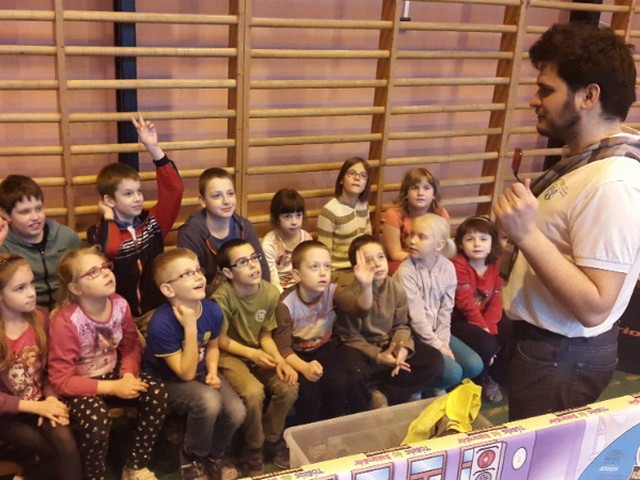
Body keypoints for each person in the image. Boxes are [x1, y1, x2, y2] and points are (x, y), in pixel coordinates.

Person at [494, 22, 640, 421]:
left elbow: (594, 306)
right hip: (548, 348)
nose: (533, 100)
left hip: (562, 356)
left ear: (589, 96)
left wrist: (526, 234)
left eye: (546, 90)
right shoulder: (588, 162)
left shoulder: (612, 182)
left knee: (543, 456)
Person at [48, 246, 168, 480]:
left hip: (113, 372)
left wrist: (128, 375)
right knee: (97, 421)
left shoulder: (120, 304)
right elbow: (62, 381)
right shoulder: (66, 321)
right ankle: (94, 476)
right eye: (93, 272)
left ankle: (135, 465)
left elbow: (130, 346)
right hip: (80, 384)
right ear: (75, 288)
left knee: (157, 394)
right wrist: (113, 387)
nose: (105, 273)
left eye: (105, 267)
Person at [143, 248, 246, 480]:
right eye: (187, 274)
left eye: (198, 270)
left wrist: (213, 372)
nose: (199, 277)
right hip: (167, 380)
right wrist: (190, 326)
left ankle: (214, 455)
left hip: (200, 370)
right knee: (208, 401)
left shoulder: (212, 310)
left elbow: (212, 347)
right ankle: (192, 456)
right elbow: (185, 374)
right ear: (168, 290)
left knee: (236, 411)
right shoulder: (161, 323)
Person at [211, 239, 298, 477]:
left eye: (254, 258)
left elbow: (265, 336)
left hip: (258, 350)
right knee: (253, 393)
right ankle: (254, 447)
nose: (252, 265)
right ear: (228, 273)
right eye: (242, 262)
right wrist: (253, 354)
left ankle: (271, 438)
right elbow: (221, 341)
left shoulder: (269, 292)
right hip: (230, 355)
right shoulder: (222, 298)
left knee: (289, 386)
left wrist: (280, 361)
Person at [87, 113, 184, 317]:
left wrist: (154, 148)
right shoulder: (98, 231)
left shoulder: (152, 223)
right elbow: (110, 249)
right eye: (128, 194)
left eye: (139, 191)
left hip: (157, 311)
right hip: (119, 315)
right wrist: (108, 217)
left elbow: (174, 190)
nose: (137, 198)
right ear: (109, 200)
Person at [333, 234, 444, 410]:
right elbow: (349, 337)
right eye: (368, 260)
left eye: (380, 257)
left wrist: (402, 347)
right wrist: (377, 355)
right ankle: (364, 407)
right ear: (356, 268)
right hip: (361, 347)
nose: (377, 264)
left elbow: (401, 325)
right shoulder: (350, 295)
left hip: (388, 343)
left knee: (434, 361)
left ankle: (384, 392)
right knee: (353, 371)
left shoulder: (395, 288)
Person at [0, 254, 81, 479]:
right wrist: (37, 407)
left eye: (31, 284)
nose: (32, 292)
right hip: (7, 413)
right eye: (20, 288)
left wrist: (51, 399)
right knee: (48, 450)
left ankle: (25, 473)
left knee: (66, 444)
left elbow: (49, 371)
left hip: (41, 400)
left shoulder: (40, 318)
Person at [394, 214, 483, 392]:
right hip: (411, 335)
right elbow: (416, 319)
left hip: (436, 332)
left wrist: (444, 342)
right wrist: (439, 347)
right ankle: (417, 390)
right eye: (411, 234)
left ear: (439, 245)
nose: (412, 241)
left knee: (474, 365)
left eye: (421, 237)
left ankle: (433, 387)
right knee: (453, 372)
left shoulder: (448, 267)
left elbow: (446, 310)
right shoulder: (406, 271)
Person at [273, 240, 350, 423]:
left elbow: (359, 310)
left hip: (323, 347)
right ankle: (309, 431)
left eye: (327, 266)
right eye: (314, 267)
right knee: (308, 393)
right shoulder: (285, 304)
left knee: (339, 383)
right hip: (296, 354)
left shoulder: (332, 291)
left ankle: (331, 427)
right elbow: (283, 349)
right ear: (297, 275)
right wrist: (304, 368)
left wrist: (365, 285)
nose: (323, 272)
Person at [177, 168, 269, 294]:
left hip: (246, 295)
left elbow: (263, 271)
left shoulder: (244, 226)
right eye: (217, 196)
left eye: (230, 193)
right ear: (203, 201)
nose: (226, 201)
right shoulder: (190, 234)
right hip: (209, 299)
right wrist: (230, 298)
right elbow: (190, 282)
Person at [0, 175, 82, 310]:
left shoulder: (66, 236)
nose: (35, 217)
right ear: (6, 214)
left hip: (66, 308)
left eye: (38, 209)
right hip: (26, 312)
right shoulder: (4, 244)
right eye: (25, 212)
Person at [450, 216, 503, 402]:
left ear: (492, 243)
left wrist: (490, 329)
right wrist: (485, 331)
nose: (477, 244)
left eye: (483, 239)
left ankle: (492, 376)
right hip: (458, 319)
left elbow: (496, 299)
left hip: (482, 318)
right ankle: (476, 384)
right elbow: (465, 304)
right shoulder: (459, 265)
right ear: (461, 244)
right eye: (470, 239)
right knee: (487, 343)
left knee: (509, 329)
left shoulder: (496, 264)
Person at [381, 167, 449, 274]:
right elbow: (395, 253)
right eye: (414, 188)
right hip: (403, 261)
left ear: (434, 195)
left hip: (431, 260)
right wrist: (422, 261)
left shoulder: (441, 214)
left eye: (426, 188)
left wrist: (430, 262)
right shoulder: (393, 214)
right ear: (406, 194)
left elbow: (443, 249)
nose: (420, 193)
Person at [317, 157, 372, 276]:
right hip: (339, 271)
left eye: (363, 176)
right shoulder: (329, 210)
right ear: (341, 179)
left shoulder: (364, 205)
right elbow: (324, 253)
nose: (357, 178)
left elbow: (368, 239)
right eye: (351, 173)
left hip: (362, 265)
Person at [262, 189, 313, 292]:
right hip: (277, 288)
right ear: (276, 218)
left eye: (298, 215)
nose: (294, 222)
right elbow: (272, 281)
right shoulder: (269, 244)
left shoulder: (307, 239)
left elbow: (309, 270)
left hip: (301, 285)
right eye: (287, 217)